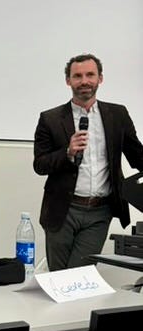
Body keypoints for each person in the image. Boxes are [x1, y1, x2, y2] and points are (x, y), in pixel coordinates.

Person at [34, 53, 143, 271]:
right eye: (78, 76)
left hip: (100, 212)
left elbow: (137, 155)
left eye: (90, 75)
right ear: (68, 81)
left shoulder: (118, 114)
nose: (84, 81)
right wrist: (67, 152)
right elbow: (40, 164)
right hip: (63, 210)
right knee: (57, 278)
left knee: (80, 276)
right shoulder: (50, 119)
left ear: (100, 78)